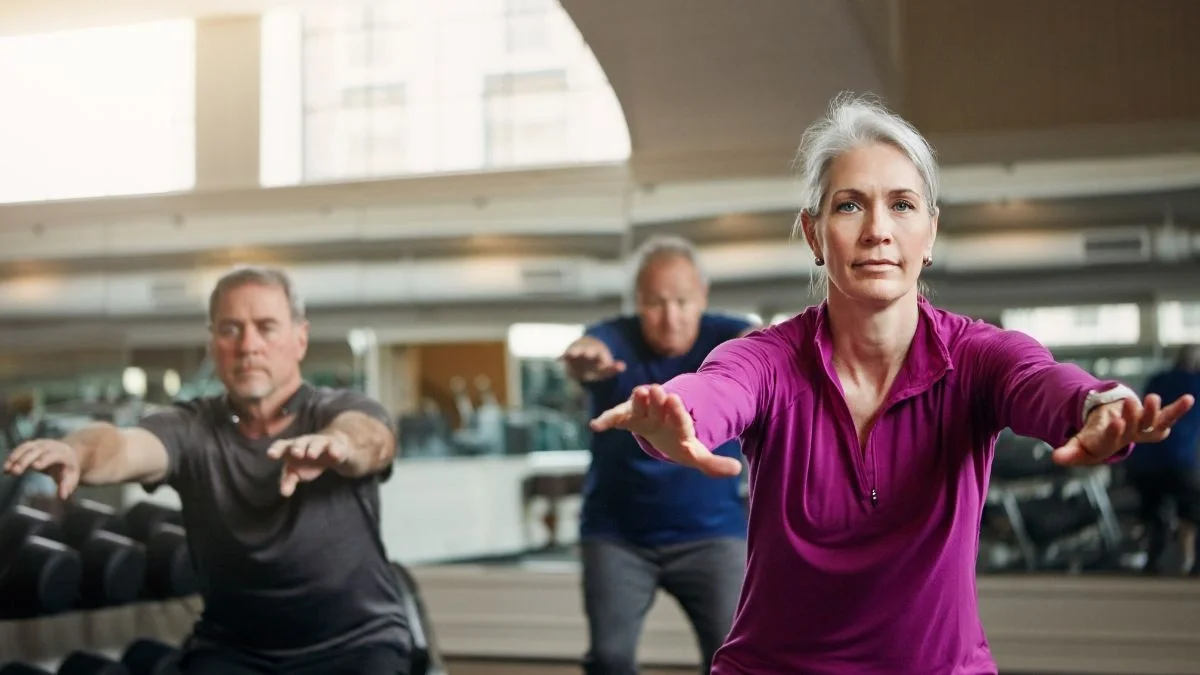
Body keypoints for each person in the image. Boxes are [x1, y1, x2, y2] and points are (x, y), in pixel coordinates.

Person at [590, 94, 1197, 675]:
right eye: (850, 205)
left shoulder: (977, 356)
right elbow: (718, 389)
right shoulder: (768, 359)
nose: (878, 229)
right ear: (813, 233)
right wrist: (677, 415)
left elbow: (1041, 380)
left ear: (929, 233)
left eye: (902, 205)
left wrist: (1096, 404)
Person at [3, 266, 411, 675]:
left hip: (356, 644)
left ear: (299, 339)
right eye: (231, 329)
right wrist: (77, 452)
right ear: (213, 343)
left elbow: (372, 439)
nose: (248, 345)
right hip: (234, 650)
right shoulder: (191, 428)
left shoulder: (338, 411)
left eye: (266, 327)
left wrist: (338, 446)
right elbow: (124, 447)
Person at [560, 235, 758, 675]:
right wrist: (585, 360)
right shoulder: (614, 337)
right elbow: (592, 349)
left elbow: (755, 340)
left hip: (712, 536)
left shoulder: (726, 335)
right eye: (656, 303)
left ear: (702, 298)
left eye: (683, 302)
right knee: (609, 659)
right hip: (618, 537)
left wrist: (762, 346)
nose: (671, 318)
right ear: (638, 302)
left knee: (735, 658)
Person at [1126, 344, 1200, 574]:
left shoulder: (1157, 380)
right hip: (1176, 461)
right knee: (1193, 512)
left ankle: (1152, 562)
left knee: (1154, 513)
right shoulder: (1195, 383)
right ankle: (1191, 566)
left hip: (1143, 461)